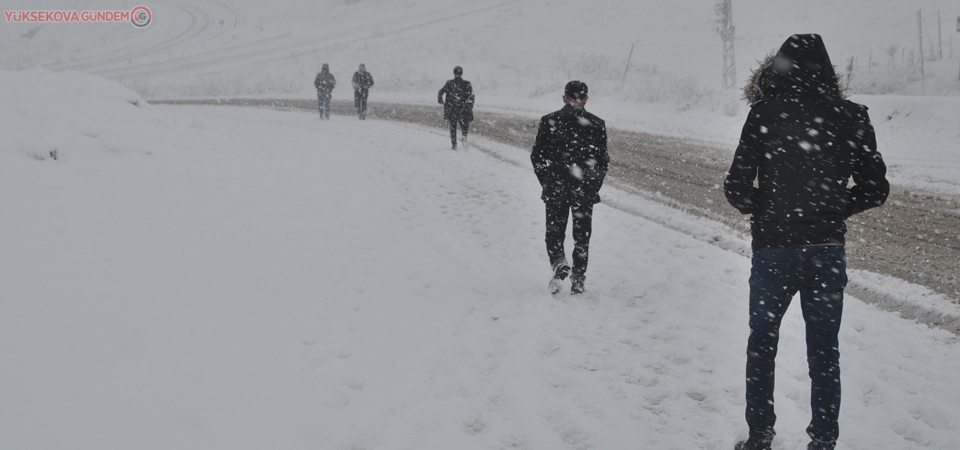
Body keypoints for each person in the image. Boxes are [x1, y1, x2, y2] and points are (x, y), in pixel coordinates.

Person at [724, 34, 889, 450]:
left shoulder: (765, 114)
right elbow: (874, 189)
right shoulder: (852, 116)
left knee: (762, 344)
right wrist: (833, 209)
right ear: (827, 69)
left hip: (773, 249)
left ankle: (760, 435)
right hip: (826, 251)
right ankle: (824, 440)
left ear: (779, 68)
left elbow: (737, 189)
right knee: (824, 351)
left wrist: (768, 208)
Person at [531, 80, 609, 295]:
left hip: (556, 186)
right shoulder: (596, 123)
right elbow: (602, 161)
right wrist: (592, 186)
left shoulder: (549, 121)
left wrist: (547, 181)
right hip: (583, 190)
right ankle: (578, 278)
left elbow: (537, 156)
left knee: (554, 232)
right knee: (582, 236)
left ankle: (558, 263)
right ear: (585, 99)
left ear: (564, 97)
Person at [437, 66, 474, 149]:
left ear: (454, 73)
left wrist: (441, 100)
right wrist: (468, 107)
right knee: (464, 127)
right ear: (462, 73)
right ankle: (464, 138)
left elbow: (441, 92)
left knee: (453, 127)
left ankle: (454, 145)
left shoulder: (449, 83)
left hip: (452, 109)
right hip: (463, 110)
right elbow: (471, 97)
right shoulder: (467, 84)